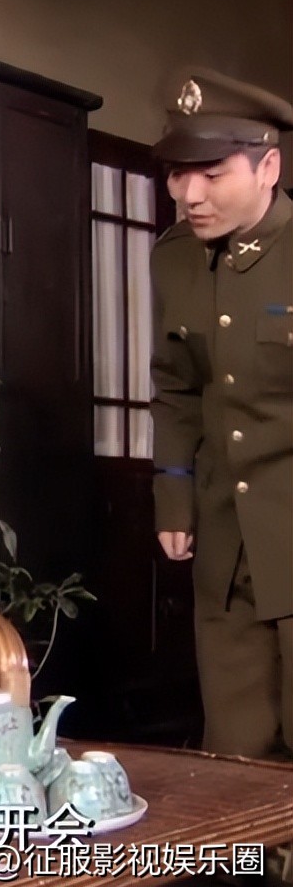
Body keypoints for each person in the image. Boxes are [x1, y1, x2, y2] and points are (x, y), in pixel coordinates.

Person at [149, 67, 293, 763]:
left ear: (269, 167)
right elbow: (176, 386)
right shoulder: (175, 257)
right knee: (237, 754)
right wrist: (173, 497)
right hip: (226, 540)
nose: (188, 194)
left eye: (210, 173)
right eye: (178, 173)